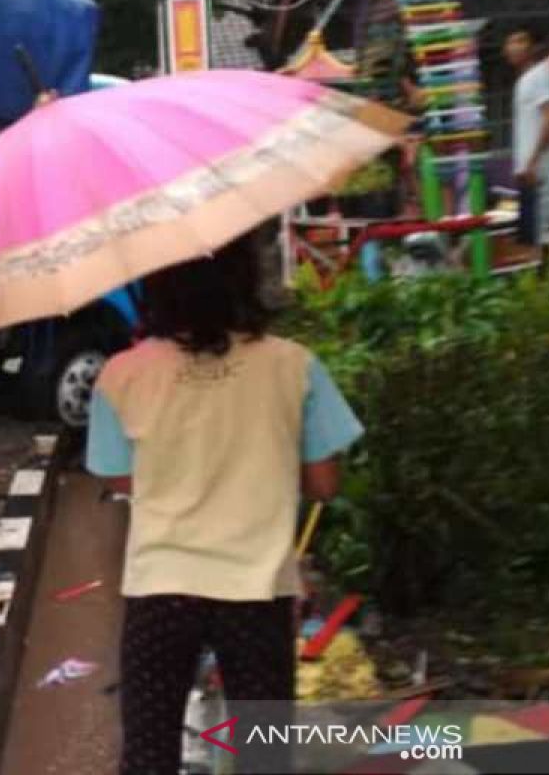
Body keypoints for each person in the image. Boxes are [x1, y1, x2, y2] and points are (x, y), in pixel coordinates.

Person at [85, 227, 363, 775]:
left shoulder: (122, 376)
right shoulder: (294, 365)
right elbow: (326, 484)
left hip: (161, 592)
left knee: (148, 755)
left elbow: (123, 482)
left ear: (157, 286)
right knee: (264, 756)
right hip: (256, 595)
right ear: (246, 277)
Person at [504, 27, 549, 247]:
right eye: (510, 42)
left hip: (544, 166)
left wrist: (534, 160)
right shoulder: (524, 80)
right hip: (530, 169)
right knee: (533, 234)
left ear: (534, 47)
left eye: (520, 40)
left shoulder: (543, 74)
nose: (514, 47)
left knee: (547, 230)